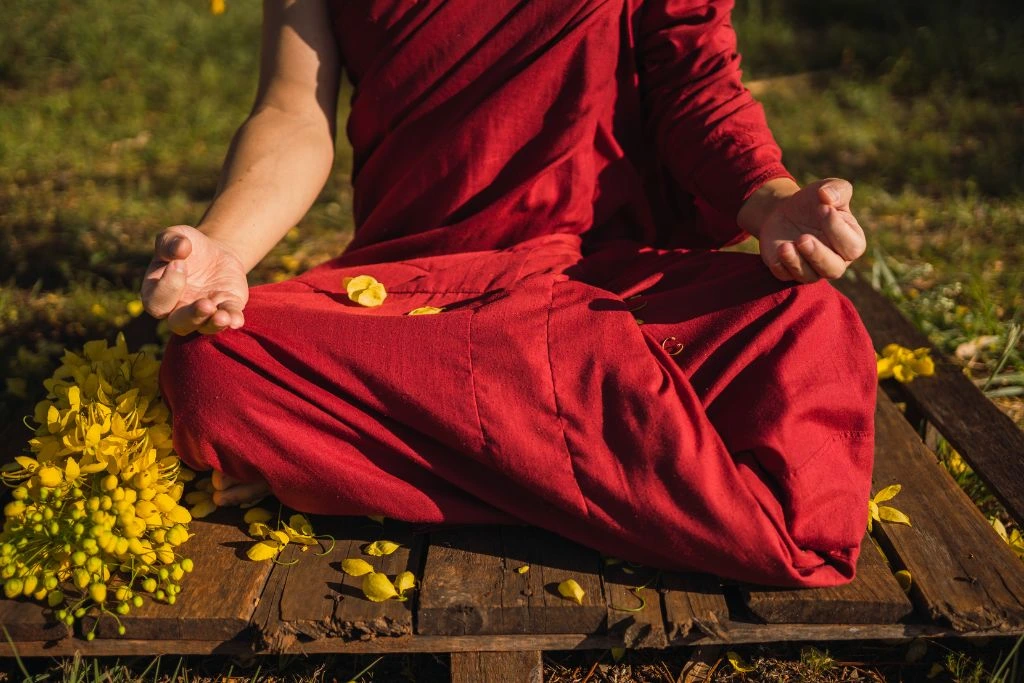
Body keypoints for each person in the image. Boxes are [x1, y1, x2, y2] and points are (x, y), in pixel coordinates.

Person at [142, 0, 877, 587]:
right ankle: (600, 484)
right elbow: (292, 113)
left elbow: (697, 86)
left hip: (596, 279)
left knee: (808, 322)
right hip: (415, 297)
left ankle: (379, 465)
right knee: (212, 368)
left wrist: (769, 197)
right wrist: (227, 246)